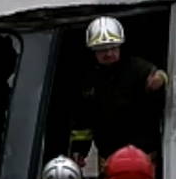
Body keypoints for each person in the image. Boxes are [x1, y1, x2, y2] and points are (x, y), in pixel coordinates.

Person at [70, 16, 168, 168]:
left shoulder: (138, 68)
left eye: (113, 47)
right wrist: (79, 149)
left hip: (144, 156)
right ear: (93, 50)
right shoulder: (88, 79)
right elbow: (83, 120)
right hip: (109, 157)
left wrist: (161, 78)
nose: (108, 53)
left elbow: (162, 76)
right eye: (102, 49)